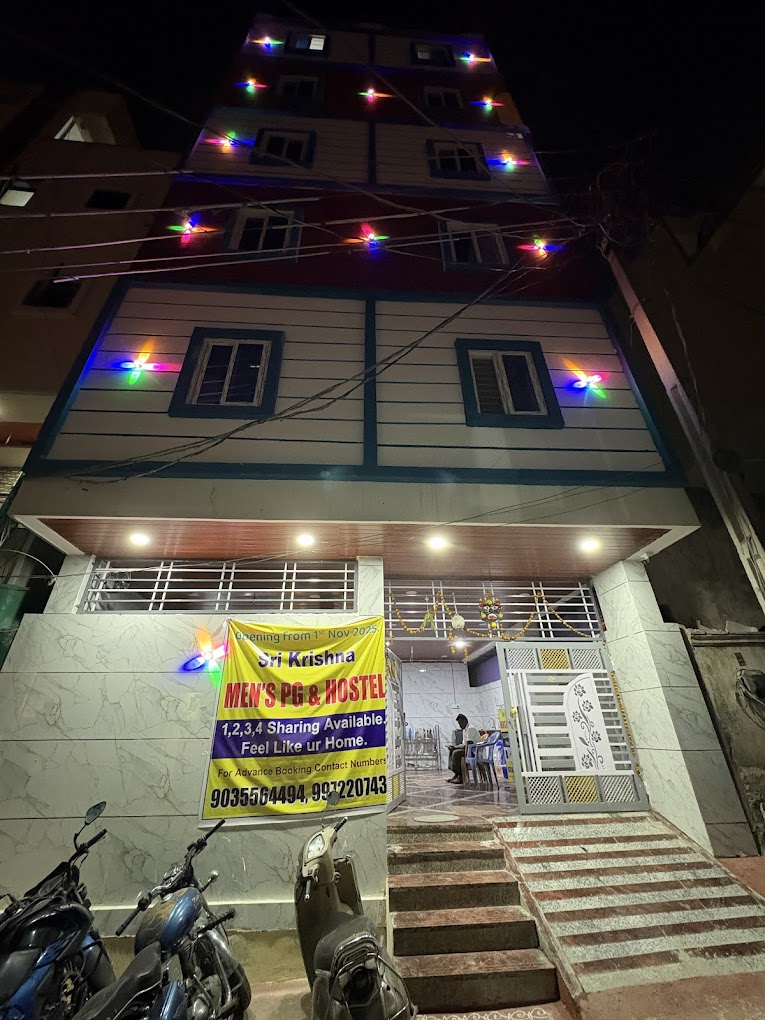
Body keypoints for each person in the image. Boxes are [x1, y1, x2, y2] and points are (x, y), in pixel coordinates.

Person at [446, 714, 481, 784]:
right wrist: (454, 747)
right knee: (452, 751)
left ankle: (461, 776)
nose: (460, 725)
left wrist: (456, 747)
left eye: (460, 723)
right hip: (467, 749)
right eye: (459, 724)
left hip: (473, 751)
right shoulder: (465, 729)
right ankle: (457, 773)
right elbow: (464, 744)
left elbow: (469, 744)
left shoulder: (470, 728)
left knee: (456, 753)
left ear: (465, 721)